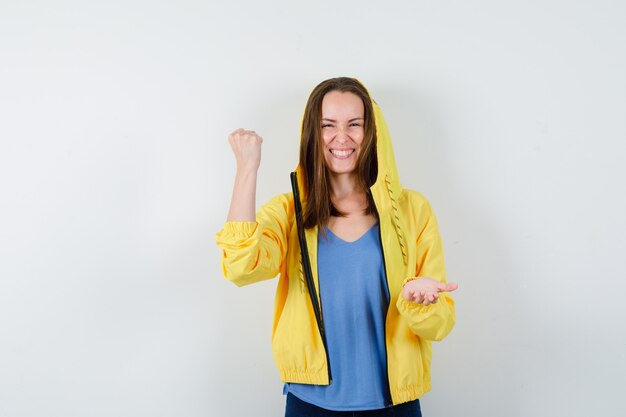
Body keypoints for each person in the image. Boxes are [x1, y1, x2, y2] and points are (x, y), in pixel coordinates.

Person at [215, 77, 458, 417]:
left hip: (395, 405)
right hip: (310, 405)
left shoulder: (413, 211)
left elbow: (441, 324)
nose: (341, 137)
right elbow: (241, 267)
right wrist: (247, 168)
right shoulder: (289, 212)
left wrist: (422, 302)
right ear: (313, 134)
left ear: (372, 131)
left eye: (354, 125)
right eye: (328, 125)